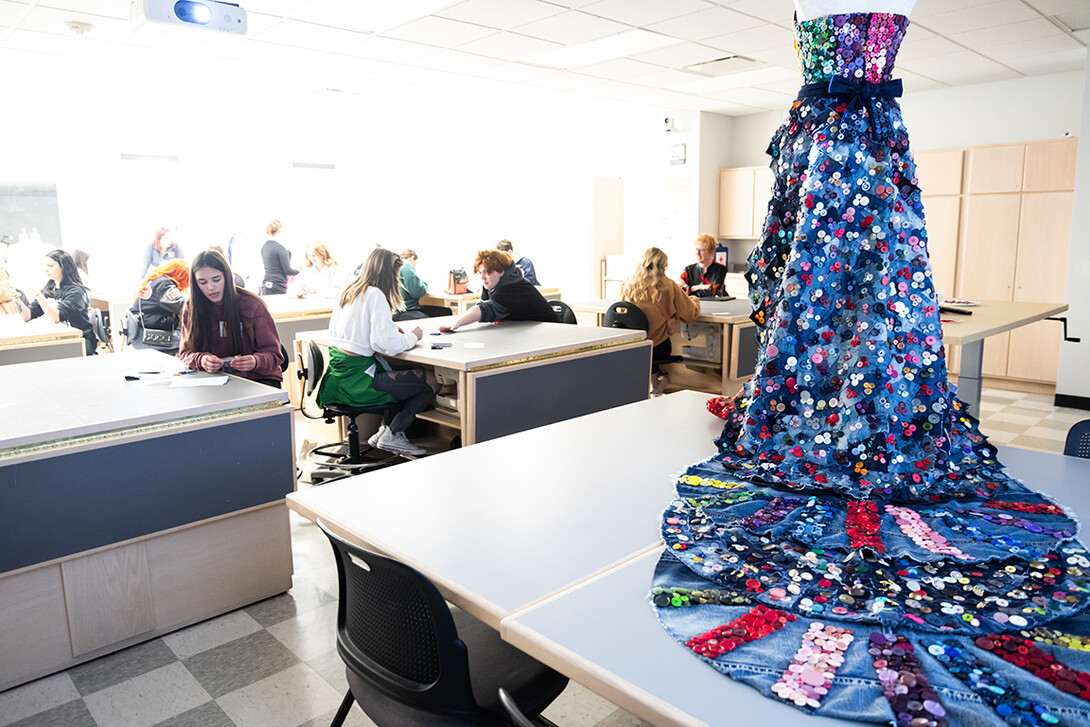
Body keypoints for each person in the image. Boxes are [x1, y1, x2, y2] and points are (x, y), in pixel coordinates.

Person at [650, 3, 1090, 724]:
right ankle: (838, 430)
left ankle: (862, 436)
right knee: (822, 296)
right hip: (825, 136)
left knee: (867, 295)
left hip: (855, 140)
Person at [319, 248, 439, 457]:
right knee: (431, 380)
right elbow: (387, 345)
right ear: (388, 274)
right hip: (359, 383)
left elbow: (364, 335)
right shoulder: (375, 295)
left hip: (339, 378)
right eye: (396, 275)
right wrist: (413, 337)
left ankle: (384, 433)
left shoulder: (349, 290)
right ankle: (392, 433)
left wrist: (391, 331)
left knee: (404, 373)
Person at [178, 249, 284, 388]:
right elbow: (185, 353)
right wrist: (202, 360)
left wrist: (255, 361)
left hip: (257, 380)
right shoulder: (191, 307)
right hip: (213, 381)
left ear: (227, 277)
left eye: (216, 279)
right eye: (202, 282)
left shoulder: (252, 305)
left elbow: (275, 356)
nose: (211, 287)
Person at [619, 247, 700, 395]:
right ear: (663, 265)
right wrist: (694, 299)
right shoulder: (668, 285)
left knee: (646, 343)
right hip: (658, 348)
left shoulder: (629, 284)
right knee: (656, 341)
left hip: (633, 346)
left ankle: (650, 383)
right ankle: (655, 384)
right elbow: (690, 314)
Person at [439, 249, 555, 331]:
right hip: (525, 330)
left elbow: (483, 310)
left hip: (549, 332)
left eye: (487, 272)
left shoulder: (513, 289)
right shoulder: (493, 284)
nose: (482, 278)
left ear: (501, 271)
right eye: (480, 272)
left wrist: (457, 322)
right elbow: (483, 303)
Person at [14, 249, 96, 355]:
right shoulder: (49, 289)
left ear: (64, 266)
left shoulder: (77, 292)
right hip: (60, 338)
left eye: (50, 266)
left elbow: (57, 317)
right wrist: (15, 297)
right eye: (46, 266)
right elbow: (28, 316)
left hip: (81, 340)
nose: (46, 270)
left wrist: (38, 295)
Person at [127, 259, 189, 353]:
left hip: (139, 335)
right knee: (193, 340)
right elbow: (181, 304)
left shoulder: (155, 281)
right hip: (146, 337)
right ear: (181, 276)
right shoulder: (164, 284)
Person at [260, 219, 297, 295]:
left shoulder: (264, 247)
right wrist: (299, 270)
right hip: (277, 286)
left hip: (266, 285)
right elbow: (288, 271)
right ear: (279, 230)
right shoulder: (280, 248)